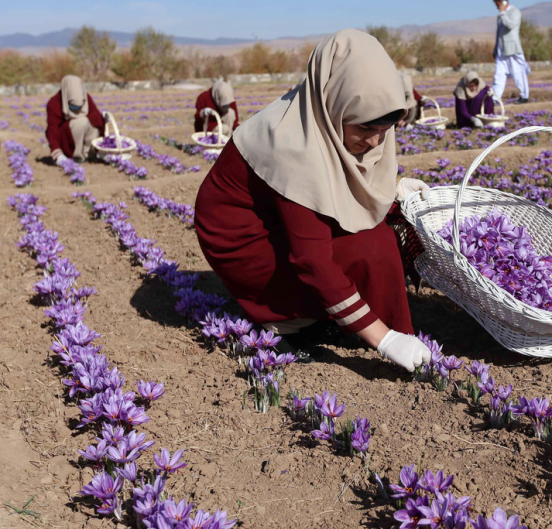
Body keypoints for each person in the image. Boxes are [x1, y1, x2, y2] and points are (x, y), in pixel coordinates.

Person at [194, 29, 433, 372]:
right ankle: (282, 322)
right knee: (369, 247)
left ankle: (336, 314)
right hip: (243, 240)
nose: (376, 142)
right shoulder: (294, 145)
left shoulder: (331, 117)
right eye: (365, 129)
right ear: (335, 106)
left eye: (386, 128)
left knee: (377, 235)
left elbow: (335, 186)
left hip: (277, 215)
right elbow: (312, 261)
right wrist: (385, 339)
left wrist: (391, 190)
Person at [45, 75, 105, 164]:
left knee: (93, 124)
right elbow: (52, 130)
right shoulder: (54, 103)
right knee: (81, 122)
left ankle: (90, 154)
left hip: (82, 134)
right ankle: (76, 156)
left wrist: (103, 119)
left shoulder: (86, 98)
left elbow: (96, 117)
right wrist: (57, 153)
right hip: (67, 141)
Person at [491, 0, 530, 104]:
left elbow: (511, 25)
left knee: (518, 73)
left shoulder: (515, 11)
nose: (496, 6)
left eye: (497, 4)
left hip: (512, 49)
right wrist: (495, 49)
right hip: (501, 50)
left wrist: (503, 12)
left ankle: (524, 96)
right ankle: (495, 98)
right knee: (498, 75)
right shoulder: (500, 15)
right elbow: (498, 34)